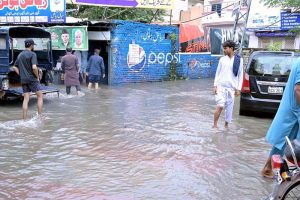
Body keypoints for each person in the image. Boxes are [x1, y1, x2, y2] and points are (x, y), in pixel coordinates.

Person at [261, 58, 300, 178]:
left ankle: (268, 168)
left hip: (293, 109)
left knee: (283, 141)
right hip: (295, 109)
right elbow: (298, 90)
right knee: (285, 141)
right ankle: (268, 168)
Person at [213, 40, 243, 128]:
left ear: (231, 48)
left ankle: (226, 126)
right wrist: (215, 85)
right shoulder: (222, 59)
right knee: (220, 105)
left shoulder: (239, 60)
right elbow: (217, 73)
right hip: (220, 87)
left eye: (225, 48)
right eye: (224, 48)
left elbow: (240, 75)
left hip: (231, 89)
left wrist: (238, 89)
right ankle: (215, 125)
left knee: (229, 109)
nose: (224, 50)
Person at [11, 39, 43, 120]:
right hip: (32, 79)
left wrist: (21, 74)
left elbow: (14, 67)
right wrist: (37, 77)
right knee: (40, 96)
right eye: (33, 45)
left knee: (26, 99)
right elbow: (34, 67)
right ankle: (39, 117)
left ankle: (24, 119)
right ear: (31, 45)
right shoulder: (32, 54)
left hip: (23, 79)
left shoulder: (20, 55)